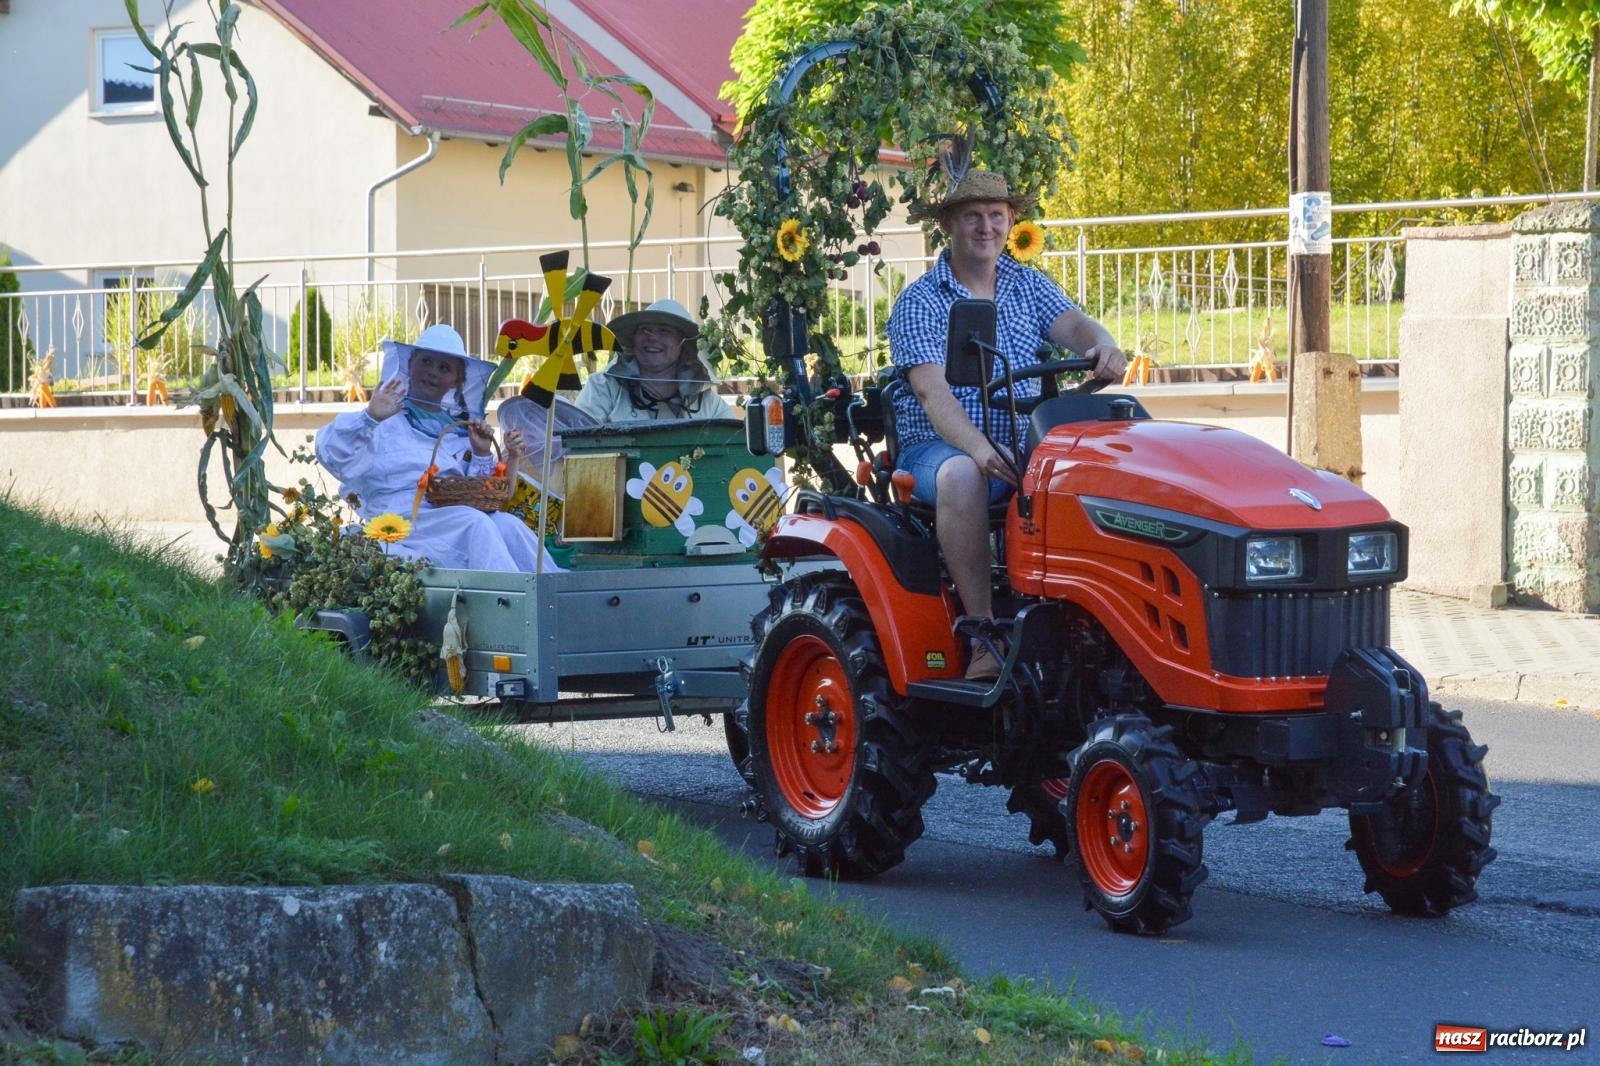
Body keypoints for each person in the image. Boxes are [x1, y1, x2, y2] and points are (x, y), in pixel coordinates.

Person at [886, 169, 1127, 680]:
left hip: (1021, 442)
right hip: (939, 447)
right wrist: (977, 448)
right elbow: (933, 392)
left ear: (1011, 220)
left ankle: (1094, 625)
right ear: (949, 224)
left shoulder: (1026, 283)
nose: (986, 227)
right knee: (962, 476)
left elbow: (1076, 324)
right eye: (972, 216)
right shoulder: (922, 300)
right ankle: (982, 634)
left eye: (996, 216)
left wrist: (1102, 344)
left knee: (1098, 468)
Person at [316, 323, 565, 572]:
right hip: (400, 517)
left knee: (508, 525)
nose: (432, 372)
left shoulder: (458, 430)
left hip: (450, 517)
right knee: (474, 524)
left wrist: (480, 452)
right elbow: (332, 454)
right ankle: (513, 603)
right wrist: (369, 417)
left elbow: (478, 495)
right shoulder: (383, 419)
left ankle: (555, 596)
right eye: (426, 361)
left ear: (457, 380)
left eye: (444, 367)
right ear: (410, 364)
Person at [575, 299, 733, 421]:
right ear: (633, 340)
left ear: (683, 345)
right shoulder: (602, 389)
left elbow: (732, 449)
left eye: (664, 331)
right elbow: (576, 446)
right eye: (645, 330)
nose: (652, 337)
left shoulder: (710, 404)